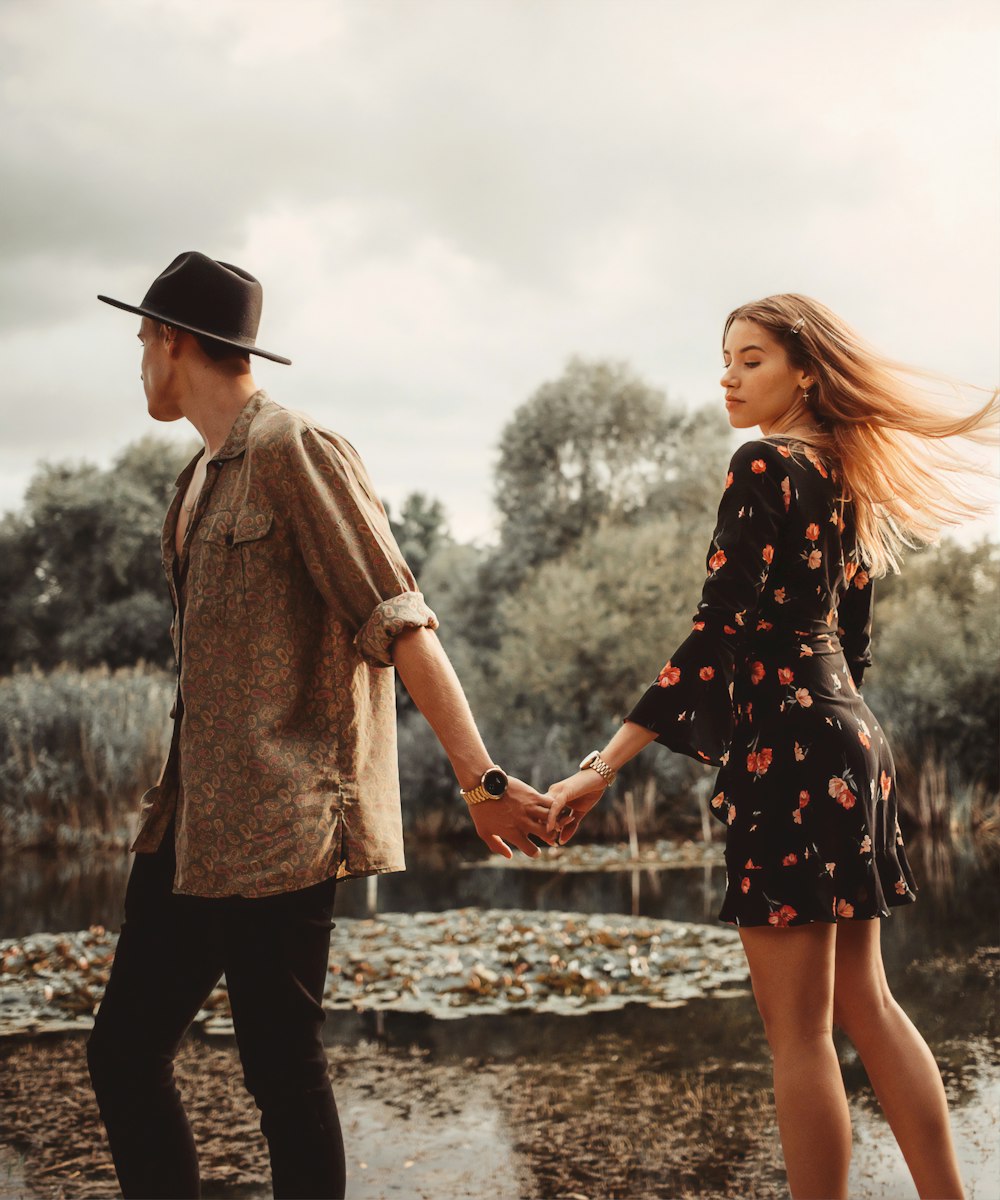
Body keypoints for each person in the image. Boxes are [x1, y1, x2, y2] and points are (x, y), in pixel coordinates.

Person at [88, 251, 555, 1200]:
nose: (138, 358)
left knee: (280, 1071)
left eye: (143, 337)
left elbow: (399, 618)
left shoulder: (292, 449)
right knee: (122, 1052)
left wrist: (481, 780)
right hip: (189, 826)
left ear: (173, 340)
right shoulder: (197, 482)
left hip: (282, 824)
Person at [547, 294, 997, 1200]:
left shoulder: (762, 462)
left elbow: (716, 636)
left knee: (799, 1035)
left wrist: (601, 767)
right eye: (726, 358)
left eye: (751, 359)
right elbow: (853, 641)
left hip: (791, 750)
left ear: (806, 372)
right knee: (866, 1001)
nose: (728, 375)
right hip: (850, 739)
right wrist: (827, 727)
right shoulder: (846, 477)